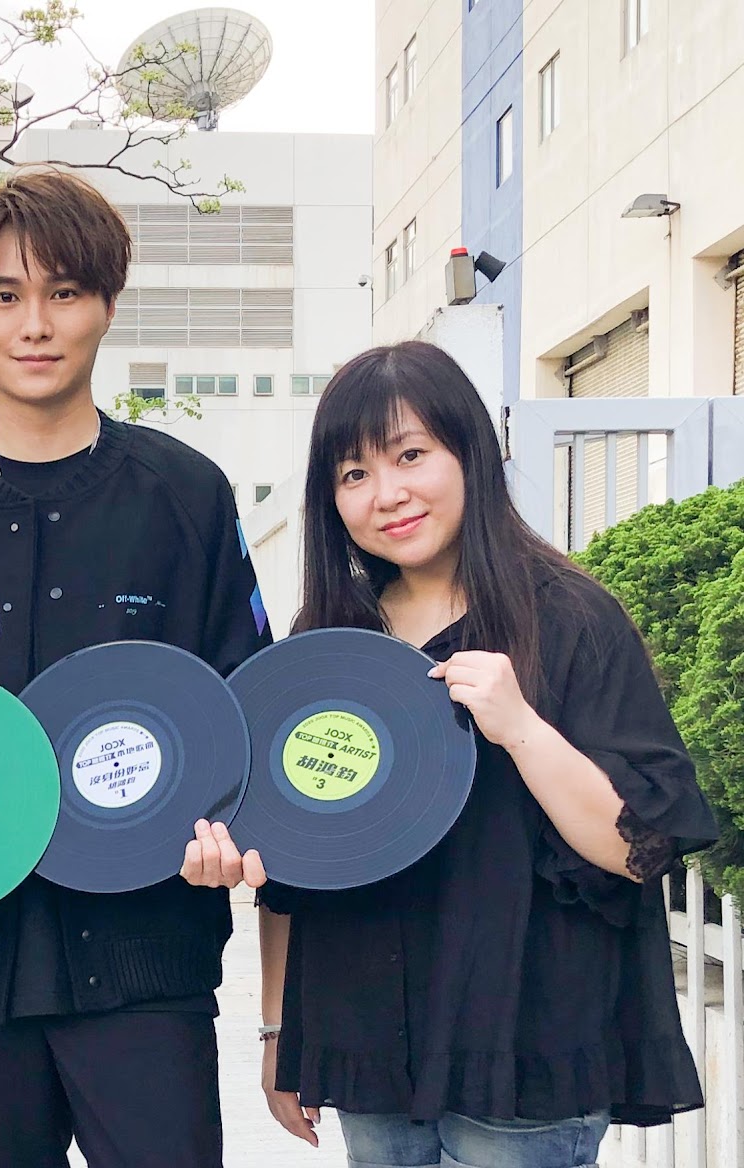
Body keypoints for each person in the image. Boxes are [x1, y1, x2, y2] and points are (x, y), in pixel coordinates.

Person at [0, 167, 270, 1168]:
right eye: (4, 294)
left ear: (107, 304)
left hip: (146, 962)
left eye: (64, 291)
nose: (34, 324)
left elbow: (239, 702)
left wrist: (228, 831)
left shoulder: (185, 495)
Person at [237, 340, 717, 1168]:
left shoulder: (569, 618)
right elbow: (294, 855)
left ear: (470, 454)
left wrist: (521, 727)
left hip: (523, 1047)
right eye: (354, 473)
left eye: (410, 455)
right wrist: (280, 1028)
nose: (387, 494)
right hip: (372, 1041)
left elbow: (638, 847)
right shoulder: (331, 638)